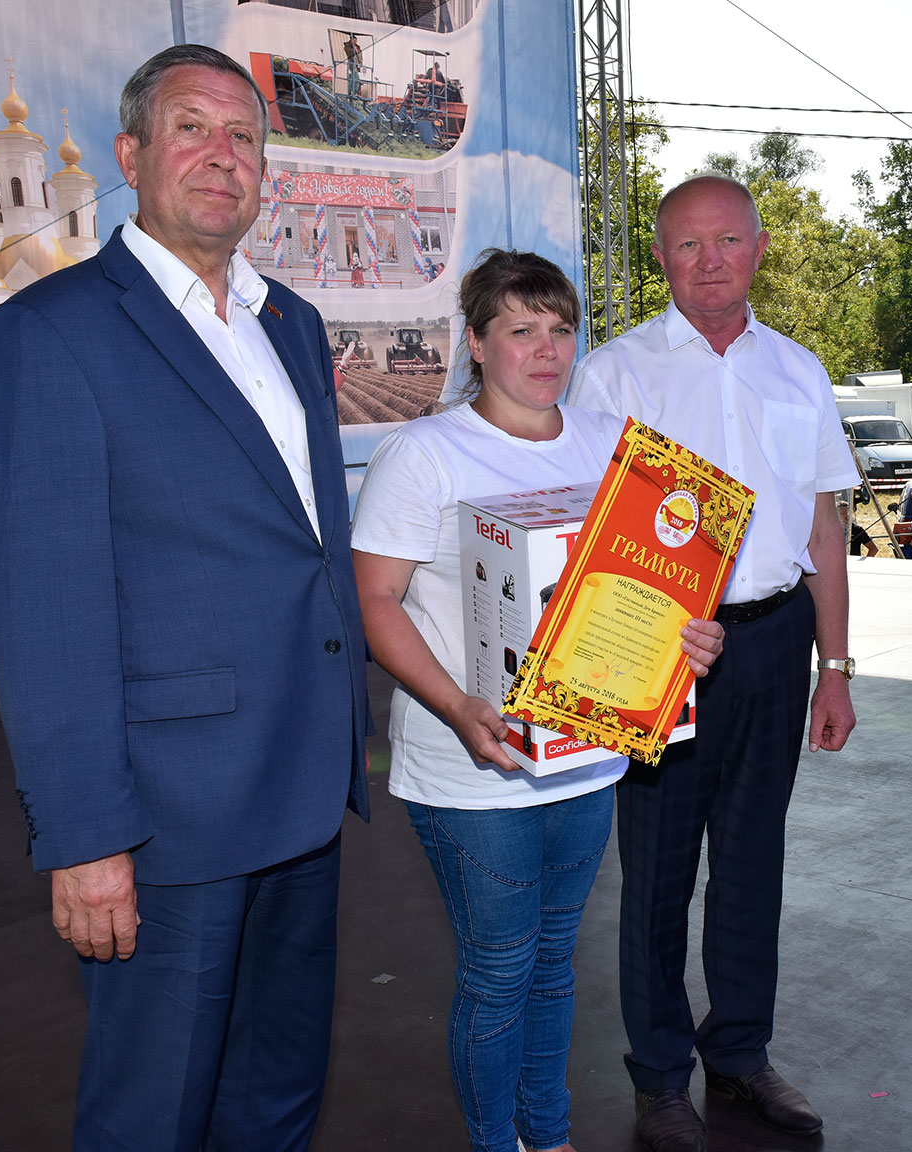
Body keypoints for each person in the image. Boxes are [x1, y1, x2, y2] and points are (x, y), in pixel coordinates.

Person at [0, 46, 369, 1152]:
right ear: (131, 155)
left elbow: (303, 550)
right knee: (154, 1114)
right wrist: (86, 837)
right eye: (192, 128)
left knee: (276, 1099)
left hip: (302, 791)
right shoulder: (49, 335)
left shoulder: (292, 325)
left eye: (244, 137)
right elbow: (45, 616)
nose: (222, 156)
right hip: (166, 821)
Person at [352, 249, 725, 1152]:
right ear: (477, 343)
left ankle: (548, 1137)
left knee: (555, 964)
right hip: (473, 770)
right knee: (498, 973)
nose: (547, 349)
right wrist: (457, 708)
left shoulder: (613, 445)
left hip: (586, 760)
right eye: (521, 330)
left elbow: (654, 586)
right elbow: (373, 602)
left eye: (560, 329)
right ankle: (495, 1143)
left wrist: (691, 638)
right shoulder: (424, 454)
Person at [566, 173, 858, 1152]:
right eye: (687, 244)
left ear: (759, 249)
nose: (709, 262)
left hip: (776, 639)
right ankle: (659, 1078)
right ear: (660, 257)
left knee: (750, 864)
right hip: (661, 648)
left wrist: (835, 666)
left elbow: (823, 527)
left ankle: (739, 1053)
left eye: (727, 240)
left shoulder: (800, 371)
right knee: (655, 874)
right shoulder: (615, 374)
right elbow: (588, 529)